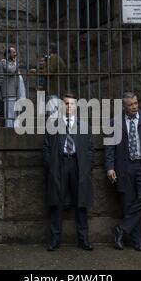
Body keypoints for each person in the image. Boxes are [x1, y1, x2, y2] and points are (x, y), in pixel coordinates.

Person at [104, 92, 141, 251]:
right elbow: (109, 148)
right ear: (124, 106)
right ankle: (137, 241)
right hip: (124, 168)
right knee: (128, 203)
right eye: (130, 105)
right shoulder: (114, 122)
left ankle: (121, 228)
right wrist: (109, 167)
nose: (135, 106)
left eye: (136, 103)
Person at [42, 93, 95, 251]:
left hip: (78, 165)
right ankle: (55, 239)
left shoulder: (84, 126)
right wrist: (51, 165)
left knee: (81, 203)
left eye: (72, 104)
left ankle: (84, 239)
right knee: (57, 204)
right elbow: (46, 148)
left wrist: (87, 165)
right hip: (60, 165)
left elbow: (91, 149)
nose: (69, 106)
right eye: (66, 103)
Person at [1, 46, 27, 128]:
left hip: (16, 93)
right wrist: (15, 63)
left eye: (15, 52)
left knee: (16, 115)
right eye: (13, 52)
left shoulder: (14, 63)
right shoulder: (3, 62)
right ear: (8, 54)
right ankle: (9, 131)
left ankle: (16, 131)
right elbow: (11, 71)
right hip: (9, 93)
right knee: (9, 115)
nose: (15, 54)